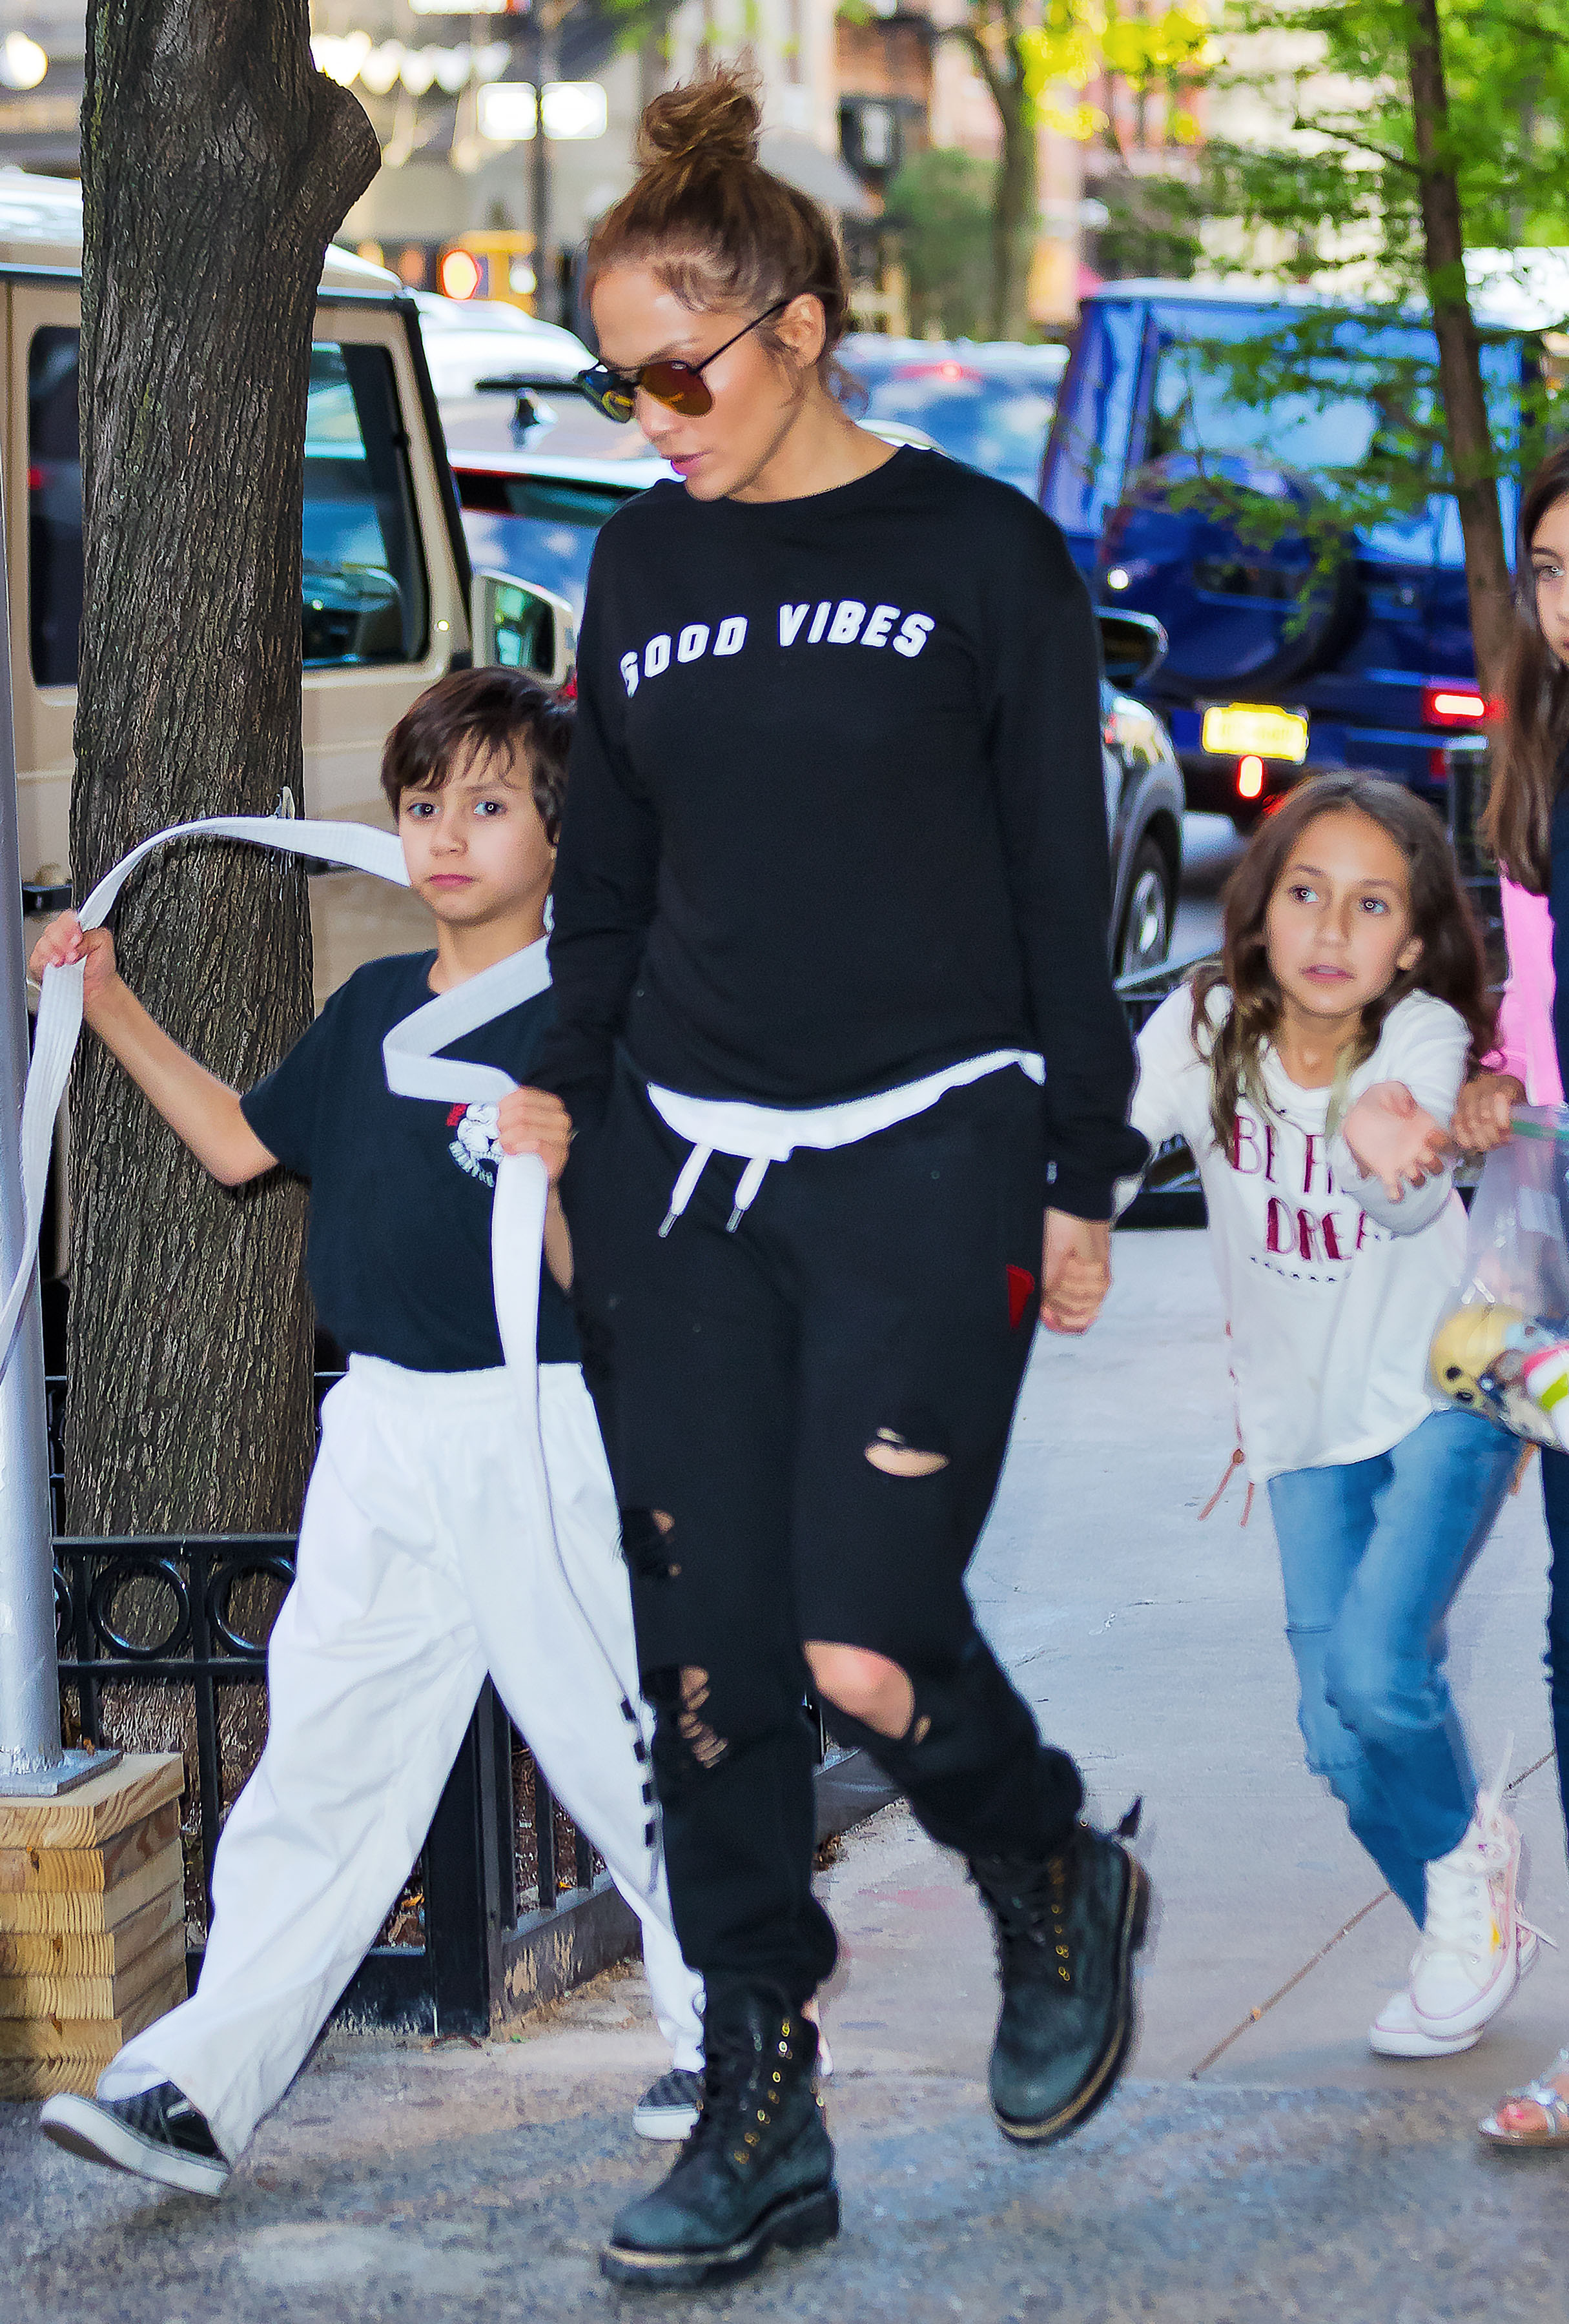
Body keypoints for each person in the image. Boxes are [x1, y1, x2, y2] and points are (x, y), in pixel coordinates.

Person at [537, 67, 1153, 2292]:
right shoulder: (641, 562)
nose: (650, 418)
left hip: (933, 1141)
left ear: (794, 327)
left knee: (860, 1648)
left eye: (675, 373)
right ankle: (758, 2102)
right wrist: (576, 1123)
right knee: (712, 1669)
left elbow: (1058, 884)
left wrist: (1081, 1165)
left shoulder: (980, 555)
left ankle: (1046, 1866)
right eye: (617, 383)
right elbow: (605, 891)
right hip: (683, 1171)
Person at [33, 666, 704, 2197]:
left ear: (563, 837)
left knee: (624, 1746)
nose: (446, 835)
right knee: (324, 1763)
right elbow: (235, 1146)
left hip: (542, 1429)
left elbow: (628, 1287)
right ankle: (198, 2087)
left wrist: (556, 1171)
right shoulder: (373, 1010)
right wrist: (106, 997)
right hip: (383, 1433)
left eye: (489, 804)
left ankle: (739, 2033)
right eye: (422, 804)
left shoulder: (598, 1019)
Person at [1127, 771, 1528, 2061]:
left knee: (1376, 1673)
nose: (1331, 929)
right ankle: (1467, 1916)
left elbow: (1409, 1202)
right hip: (1300, 1429)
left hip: (1443, 1395)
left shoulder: (1418, 1037)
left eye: (1370, 906)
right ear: (1257, 909)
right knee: (1336, 1744)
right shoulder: (1201, 1026)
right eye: (1306, 893)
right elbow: (1111, 1145)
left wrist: (1384, 1141)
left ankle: (1465, 1886)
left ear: (1409, 944)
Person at [1449, 435, 1569, 2146]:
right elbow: (1532, 1009)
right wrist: (1489, 1083)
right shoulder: (1539, 765)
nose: (1562, 601)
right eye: (1548, 571)